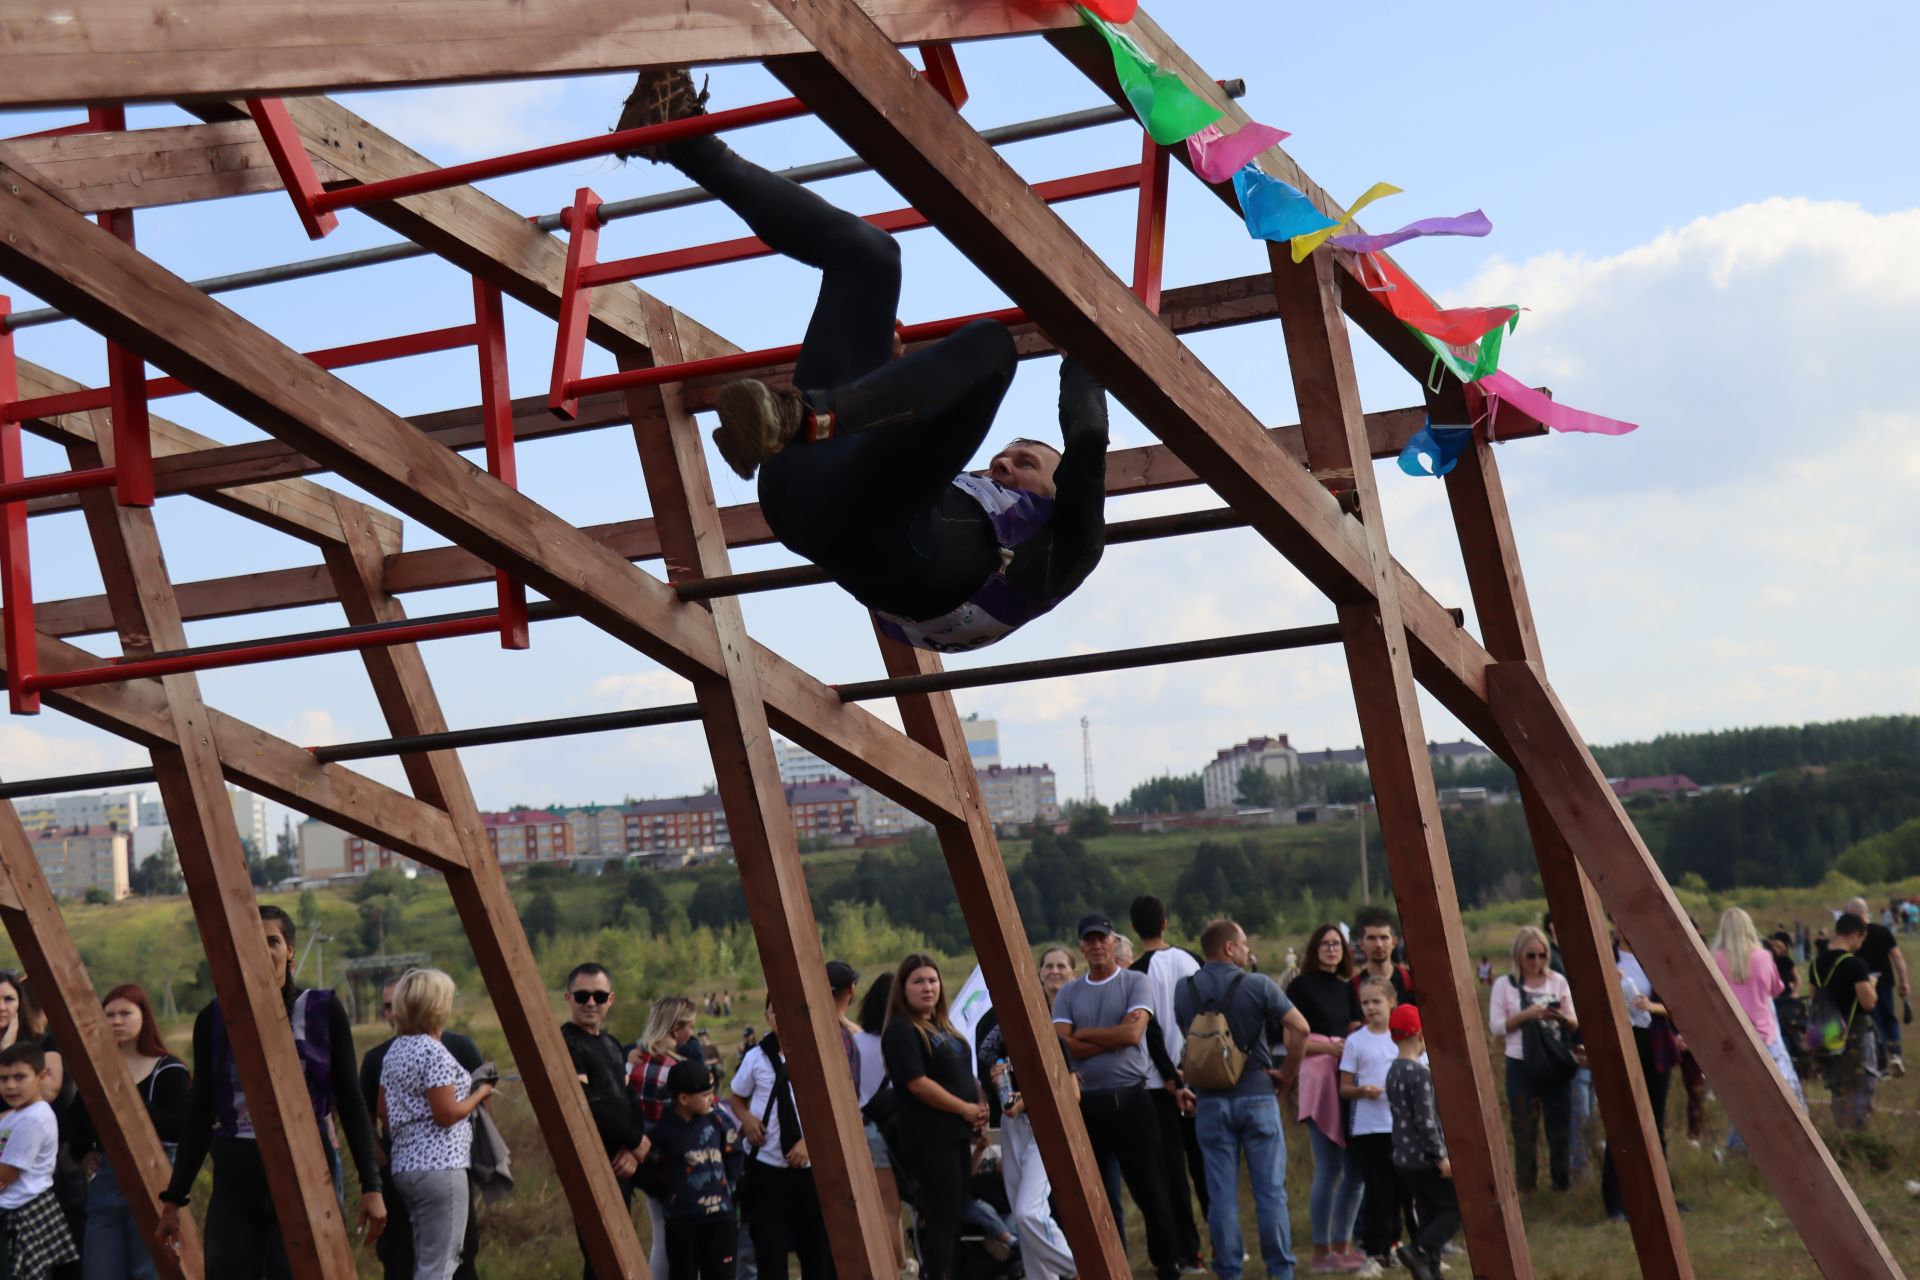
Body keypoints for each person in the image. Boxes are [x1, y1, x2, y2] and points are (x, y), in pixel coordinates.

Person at [611, 68, 1111, 654]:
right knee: (869, 257)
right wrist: (880, 384)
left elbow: (1089, 438)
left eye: (1026, 463)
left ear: (1059, 491)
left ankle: (811, 416)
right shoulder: (946, 487)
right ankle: (682, 138)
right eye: (1005, 455)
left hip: (888, 545)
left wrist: (1087, 342)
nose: (1003, 464)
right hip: (807, 480)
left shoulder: (1065, 544)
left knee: (994, 348)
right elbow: (902, 455)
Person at [159, 905, 386, 1275]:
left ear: (290, 950)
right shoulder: (213, 1019)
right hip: (238, 1174)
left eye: (272, 941)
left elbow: (351, 1099)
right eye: (252, 942)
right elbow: (201, 1113)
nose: (262, 950)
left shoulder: (322, 1011)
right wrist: (174, 1198)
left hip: (307, 1168)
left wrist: (371, 1185)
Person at [1174, 918, 1308, 1280]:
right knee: (1270, 1193)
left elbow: (1190, 1040)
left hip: (1210, 1103)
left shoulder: (1184, 990)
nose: (1249, 951)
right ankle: (1280, 1271)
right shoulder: (1258, 985)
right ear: (1229, 948)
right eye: (1244, 944)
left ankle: (1229, 1270)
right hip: (1258, 1095)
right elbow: (1301, 1028)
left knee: (1221, 1198)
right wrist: (1287, 1073)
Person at [1051, 913, 1181, 1280]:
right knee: (1095, 1195)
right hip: (1089, 1104)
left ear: (1112, 941)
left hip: (1132, 1101)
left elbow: (1132, 1036)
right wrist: (1107, 1035)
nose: (1095, 945)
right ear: (1081, 946)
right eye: (1088, 940)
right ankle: (1105, 1266)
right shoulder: (1069, 992)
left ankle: (1167, 1265)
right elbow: (1061, 1042)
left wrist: (1084, 1037)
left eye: (1101, 939)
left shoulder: (1134, 982)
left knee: (1151, 1190)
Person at [361, 979, 485, 1280]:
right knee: (444, 1262)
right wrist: (481, 1093)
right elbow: (446, 1114)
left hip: (405, 1168)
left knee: (423, 1258)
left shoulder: (393, 1053)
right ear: (438, 1007)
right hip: (442, 1168)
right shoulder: (436, 1052)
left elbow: (382, 1111)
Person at [65, 984, 189, 1280]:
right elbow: (76, 1116)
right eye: (109, 1015)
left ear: (143, 1016)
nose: (117, 1021)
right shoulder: (97, 1069)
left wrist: (128, 1099)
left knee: (148, 1270)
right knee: (100, 1269)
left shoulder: (169, 1069)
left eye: (125, 1013)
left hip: (158, 1176)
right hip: (108, 1175)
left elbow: (179, 1126)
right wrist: (84, 1151)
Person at [975, 949, 1077, 1280]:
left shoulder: (1046, 1030)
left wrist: (1027, 1099)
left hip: (1045, 1124)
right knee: (1024, 1218)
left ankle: (1083, 1268)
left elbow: (1071, 1093)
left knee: (1029, 1212)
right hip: (1010, 1125)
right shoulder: (987, 1024)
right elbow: (988, 1078)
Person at [883, 955, 985, 1280]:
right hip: (930, 1138)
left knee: (955, 1214)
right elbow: (917, 1083)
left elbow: (964, 1076)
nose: (928, 987)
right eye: (918, 981)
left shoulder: (946, 1028)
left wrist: (978, 1107)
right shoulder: (901, 1031)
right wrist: (964, 1108)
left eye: (932, 980)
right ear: (903, 989)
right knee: (941, 1217)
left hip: (958, 1133)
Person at [1129, 894, 1207, 1272]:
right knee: (1206, 1165)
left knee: (1173, 1171)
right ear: (1165, 922)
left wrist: (1172, 1080)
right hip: (1199, 1074)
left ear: (1133, 928)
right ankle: (1225, 1243)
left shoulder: (1137, 973)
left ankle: (1187, 1250)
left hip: (1161, 1086)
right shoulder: (1193, 959)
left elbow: (1150, 1031)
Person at [729, 997, 830, 1280]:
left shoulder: (816, 1053)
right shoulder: (755, 1058)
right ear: (766, 1017)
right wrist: (747, 1120)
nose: (782, 1018)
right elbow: (736, 1098)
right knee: (770, 1248)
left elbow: (834, 1109)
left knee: (815, 1246)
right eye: (776, 1012)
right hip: (767, 1166)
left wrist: (810, 1143)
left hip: (811, 1169)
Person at [560, 963, 649, 1280]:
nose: (591, 1003)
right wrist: (637, 1142)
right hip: (592, 1166)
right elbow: (588, 1106)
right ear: (569, 997)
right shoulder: (565, 1044)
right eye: (583, 995)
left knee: (618, 1258)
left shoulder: (611, 1044)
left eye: (598, 996)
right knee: (601, 1258)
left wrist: (634, 1146)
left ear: (611, 999)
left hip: (622, 1163)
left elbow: (628, 1099)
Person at [1285, 924, 1363, 1271]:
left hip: (1348, 1076)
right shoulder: (1300, 987)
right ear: (1314, 948)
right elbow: (1291, 1042)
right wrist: (1330, 1046)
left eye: (1337, 944)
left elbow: (1354, 1030)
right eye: (1325, 943)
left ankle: (1343, 1245)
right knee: (1328, 1169)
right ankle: (1320, 1253)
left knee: (1356, 1171)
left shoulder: (1349, 988)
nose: (1332, 949)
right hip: (1317, 1079)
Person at [1487, 925, 1577, 1193]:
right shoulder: (1505, 985)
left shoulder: (1557, 981)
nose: (1536, 962)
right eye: (1530, 956)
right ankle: (1526, 1188)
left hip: (1554, 1062)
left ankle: (1561, 1185)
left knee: (1559, 1126)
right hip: (1521, 1062)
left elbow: (1574, 1021)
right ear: (1518, 956)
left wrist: (1558, 1017)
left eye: (1542, 955)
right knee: (1524, 1128)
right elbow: (1496, 1027)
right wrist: (1527, 1015)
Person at [638, 1059, 744, 1280]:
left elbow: (734, 1153)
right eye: (705, 1095)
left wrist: (729, 1187)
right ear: (684, 1099)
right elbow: (647, 1167)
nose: (711, 1099)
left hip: (720, 1219)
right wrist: (667, 1193)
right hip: (682, 1222)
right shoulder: (662, 1132)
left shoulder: (718, 1121)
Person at [1599, 928, 1678, 1222]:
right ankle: (1616, 1202)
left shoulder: (1652, 957)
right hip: (1622, 1041)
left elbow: (1673, 1004)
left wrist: (1650, 1006)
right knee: (1621, 1119)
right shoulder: (1607, 955)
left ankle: (1663, 1196)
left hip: (1654, 1042)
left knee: (1655, 1122)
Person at [1711, 908, 1804, 1153]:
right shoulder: (1763, 956)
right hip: (1765, 1036)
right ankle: (1790, 1146)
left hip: (1731, 1039)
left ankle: (1739, 1149)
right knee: (1784, 1094)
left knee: (1745, 1100)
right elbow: (1777, 988)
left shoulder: (1715, 958)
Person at [1383, 1008, 1457, 1280]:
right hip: (1425, 1159)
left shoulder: (1392, 1071)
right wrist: (1440, 1157)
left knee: (1428, 1215)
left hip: (1402, 1159)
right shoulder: (1420, 1074)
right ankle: (1420, 1250)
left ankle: (1431, 1273)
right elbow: (1426, 1121)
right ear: (1420, 1034)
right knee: (1454, 1207)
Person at [630, 995, 700, 1280]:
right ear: (675, 1029)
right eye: (690, 1027)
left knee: (660, 1234)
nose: (692, 1033)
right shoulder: (678, 1070)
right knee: (688, 1240)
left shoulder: (636, 1062)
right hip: (680, 1162)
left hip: (648, 1161)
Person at [1339, 976, 1404, 1272]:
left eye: (1376, 1001)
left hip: (1400, 1125)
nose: (1370, 1007)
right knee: (1377, 1190)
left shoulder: (1403, 1038)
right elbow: (1345, 1087)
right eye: (1365, 1002)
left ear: (1391, 1002)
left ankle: (1396, 1245)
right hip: (1369, 1127)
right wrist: (1363, 1091)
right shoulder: (1355, 1041)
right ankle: (1373, 1250)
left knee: (1402, 1188)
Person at [0, 1043, 77, 1280]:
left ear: (41, 1076)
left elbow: (5, 1176)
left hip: (21, 1213)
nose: (11, 1085)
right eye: (3, 1079)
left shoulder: (34, 1119)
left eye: (20, 1077)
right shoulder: (17, 1113)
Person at [852, 975, 907, 1274]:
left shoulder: (856, 1044)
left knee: (885, 1206)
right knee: (906, 1204)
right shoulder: (903, 1038)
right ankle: (901, 1266)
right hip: (903, 1125)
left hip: (868, 1127)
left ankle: (891, 1268)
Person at [1811, 913, 1881, 1130]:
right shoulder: (1855, 964)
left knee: (1838, 1086)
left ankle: (1842, 1130)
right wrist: (1872, 983)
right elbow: (1867, 1002)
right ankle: (1856, 1134)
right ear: (1855, 934)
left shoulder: (1817, 963)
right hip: (1854, 1034)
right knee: (1860, 1085)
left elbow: (1815, 998)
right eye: (1862, 939)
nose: (1860, 945)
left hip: (1828, 1033)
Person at [1845, 896, 1908, 1077]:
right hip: (1886, 982)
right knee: (1890, 1018)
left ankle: (1881, 1065)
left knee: (1874, 1023)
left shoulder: (1853, 936)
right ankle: (1896, 1054)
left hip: (1863, 985)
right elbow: (1897, 957)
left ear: (1853, 914)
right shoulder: (1882, 931)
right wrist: (1904, 981)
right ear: (1867, 913)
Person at [1351, 910, 1414, 1008]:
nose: (1378, 945)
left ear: (1394, 942)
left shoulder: (1412, 981)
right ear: (1361, 944)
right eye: (1371, 938)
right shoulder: (1352, 987)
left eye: (1384, 938)